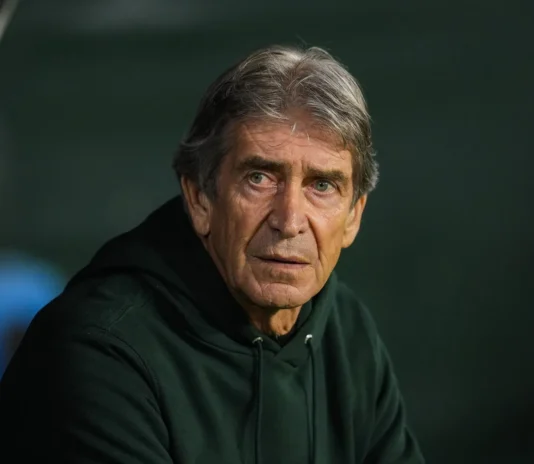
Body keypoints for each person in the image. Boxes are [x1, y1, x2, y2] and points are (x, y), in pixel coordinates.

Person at [0, 45, 424, 463]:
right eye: (259, 178)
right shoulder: (100, 352)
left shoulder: (346, 330)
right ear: (200, 197)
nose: (290, 220)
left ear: (353, 217)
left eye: (322, 185)